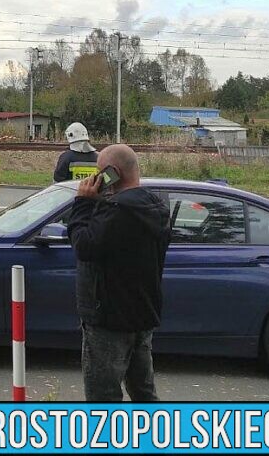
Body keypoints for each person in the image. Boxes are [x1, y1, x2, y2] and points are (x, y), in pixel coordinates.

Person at [67, 144, 171, 402]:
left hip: (108, 320)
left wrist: (82, 204)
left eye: (101, 173)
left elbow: (84, 245)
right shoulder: (155, 206)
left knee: (103, 395)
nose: (97, 178)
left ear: (112, 172)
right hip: (142, 316)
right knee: (143, 391)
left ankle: (107, 440)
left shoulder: (116, 211)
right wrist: (100, 201)